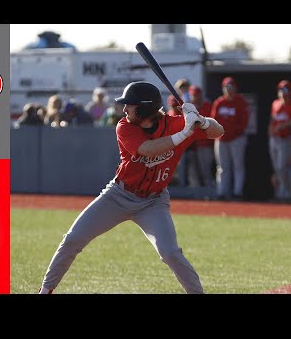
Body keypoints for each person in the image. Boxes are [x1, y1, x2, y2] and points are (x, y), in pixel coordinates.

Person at [38, 81, 224, 294]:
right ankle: (45, 290)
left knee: (170, 253)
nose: (124, 109)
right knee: (73, 239)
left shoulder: (176, 124)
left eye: (130, 104)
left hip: (154, 201)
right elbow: (148, 149)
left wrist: (201, 120)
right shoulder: (124, 126)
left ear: (144, 108)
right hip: (119, 195)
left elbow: (218, 131)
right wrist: (184, 133)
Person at [210, 77, 249, 200]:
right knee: (222, 167)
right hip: (221, 139)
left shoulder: (241, 102)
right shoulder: (219, 102)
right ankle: (222, 192)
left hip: (237, 139)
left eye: (230, 87)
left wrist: (233, 132)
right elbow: (213, 120)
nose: (228, 90)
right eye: (226, 88)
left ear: (235, 88)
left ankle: (237, 192)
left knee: (238, 166)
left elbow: (244, 122)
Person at [186, 86, 215, 188]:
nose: (195, 97)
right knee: (195, 170)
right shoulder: (189, 108)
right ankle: (199, 191)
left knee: (206, 169)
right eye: (193, 95)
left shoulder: (208, 106)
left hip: (206, 143)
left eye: (196, 95)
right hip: (193, 145)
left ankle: (210, 189)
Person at [268, 80, 291, 201]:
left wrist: (283, 125)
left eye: (285, 90)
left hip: (286, 139)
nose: (283, 93)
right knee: (276, 168)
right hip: (274, 139)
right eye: (281, 90)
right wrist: (270, 130)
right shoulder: (275, 104)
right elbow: (272, 120)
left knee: (283, 167)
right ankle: (279, 194)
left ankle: (287, 192)